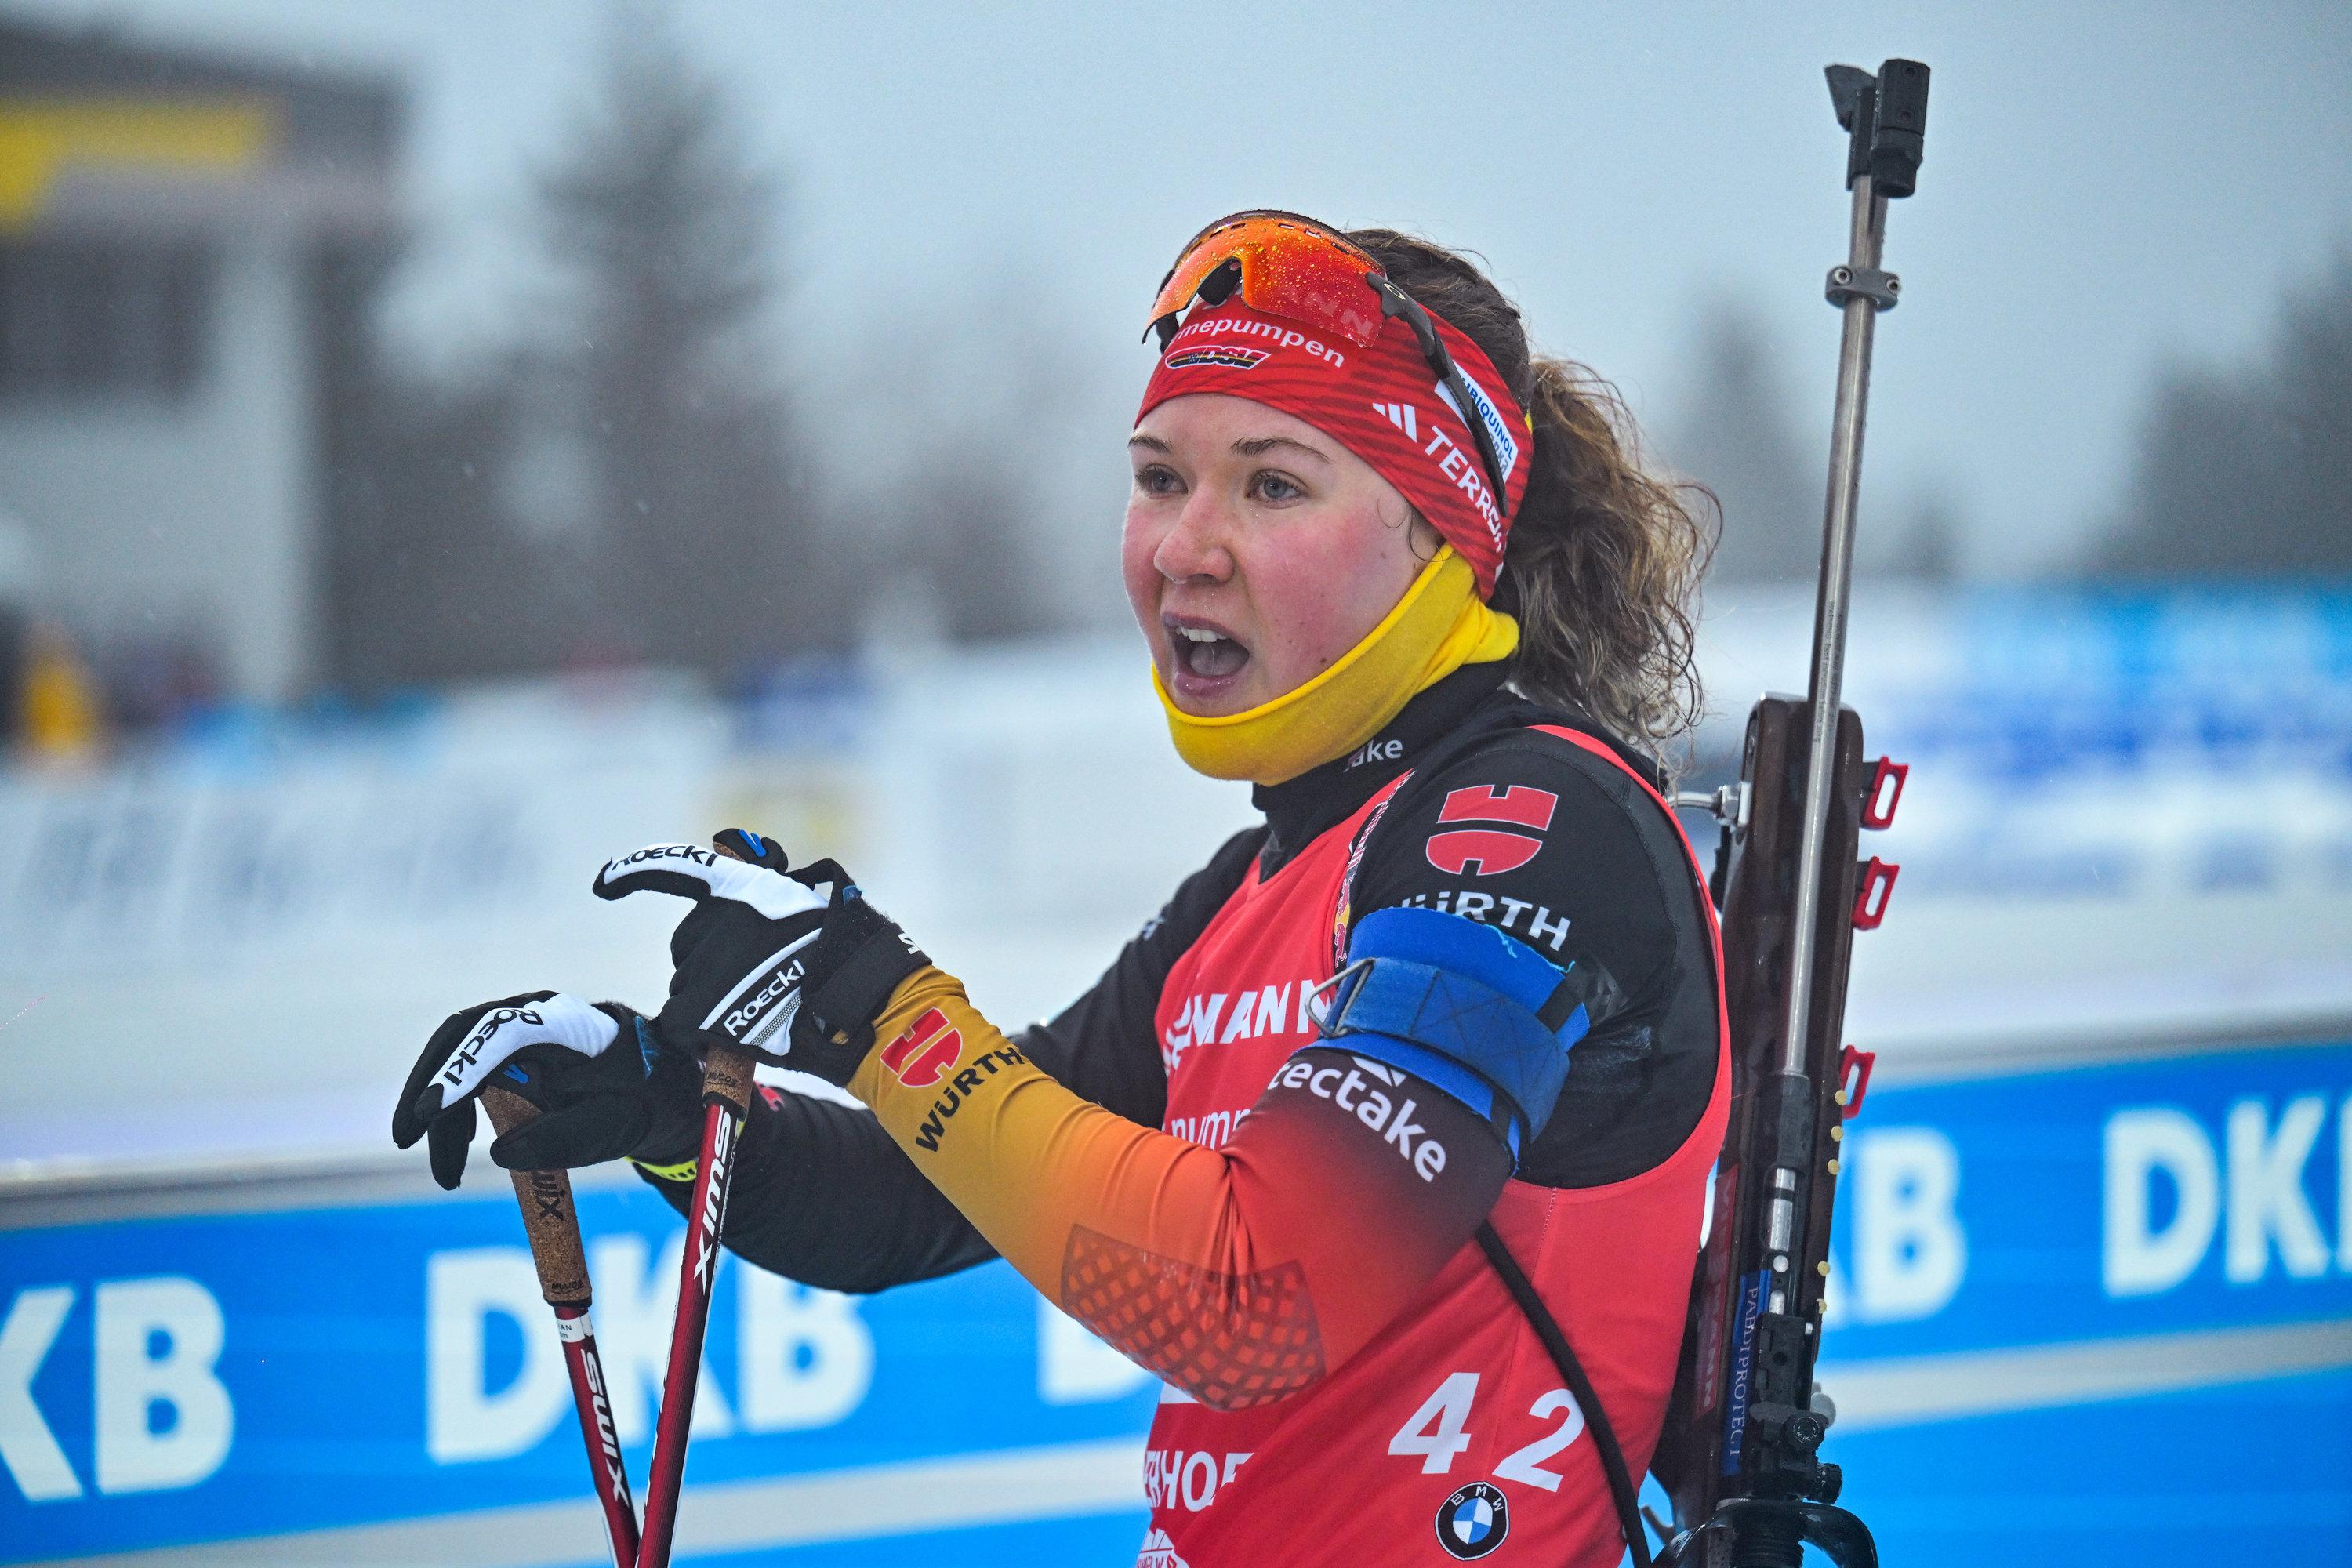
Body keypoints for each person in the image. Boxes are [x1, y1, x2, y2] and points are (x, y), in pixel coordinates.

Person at [396, 212, 1724, 1566]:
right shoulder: (1261, 882)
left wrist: (879, 1009)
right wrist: (673, 1112)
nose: (1184, 547)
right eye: (1159, 479)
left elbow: (1254, 1295)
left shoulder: (1528, 826)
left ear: (1446, 536)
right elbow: (931, 1189)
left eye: (1273, 486)